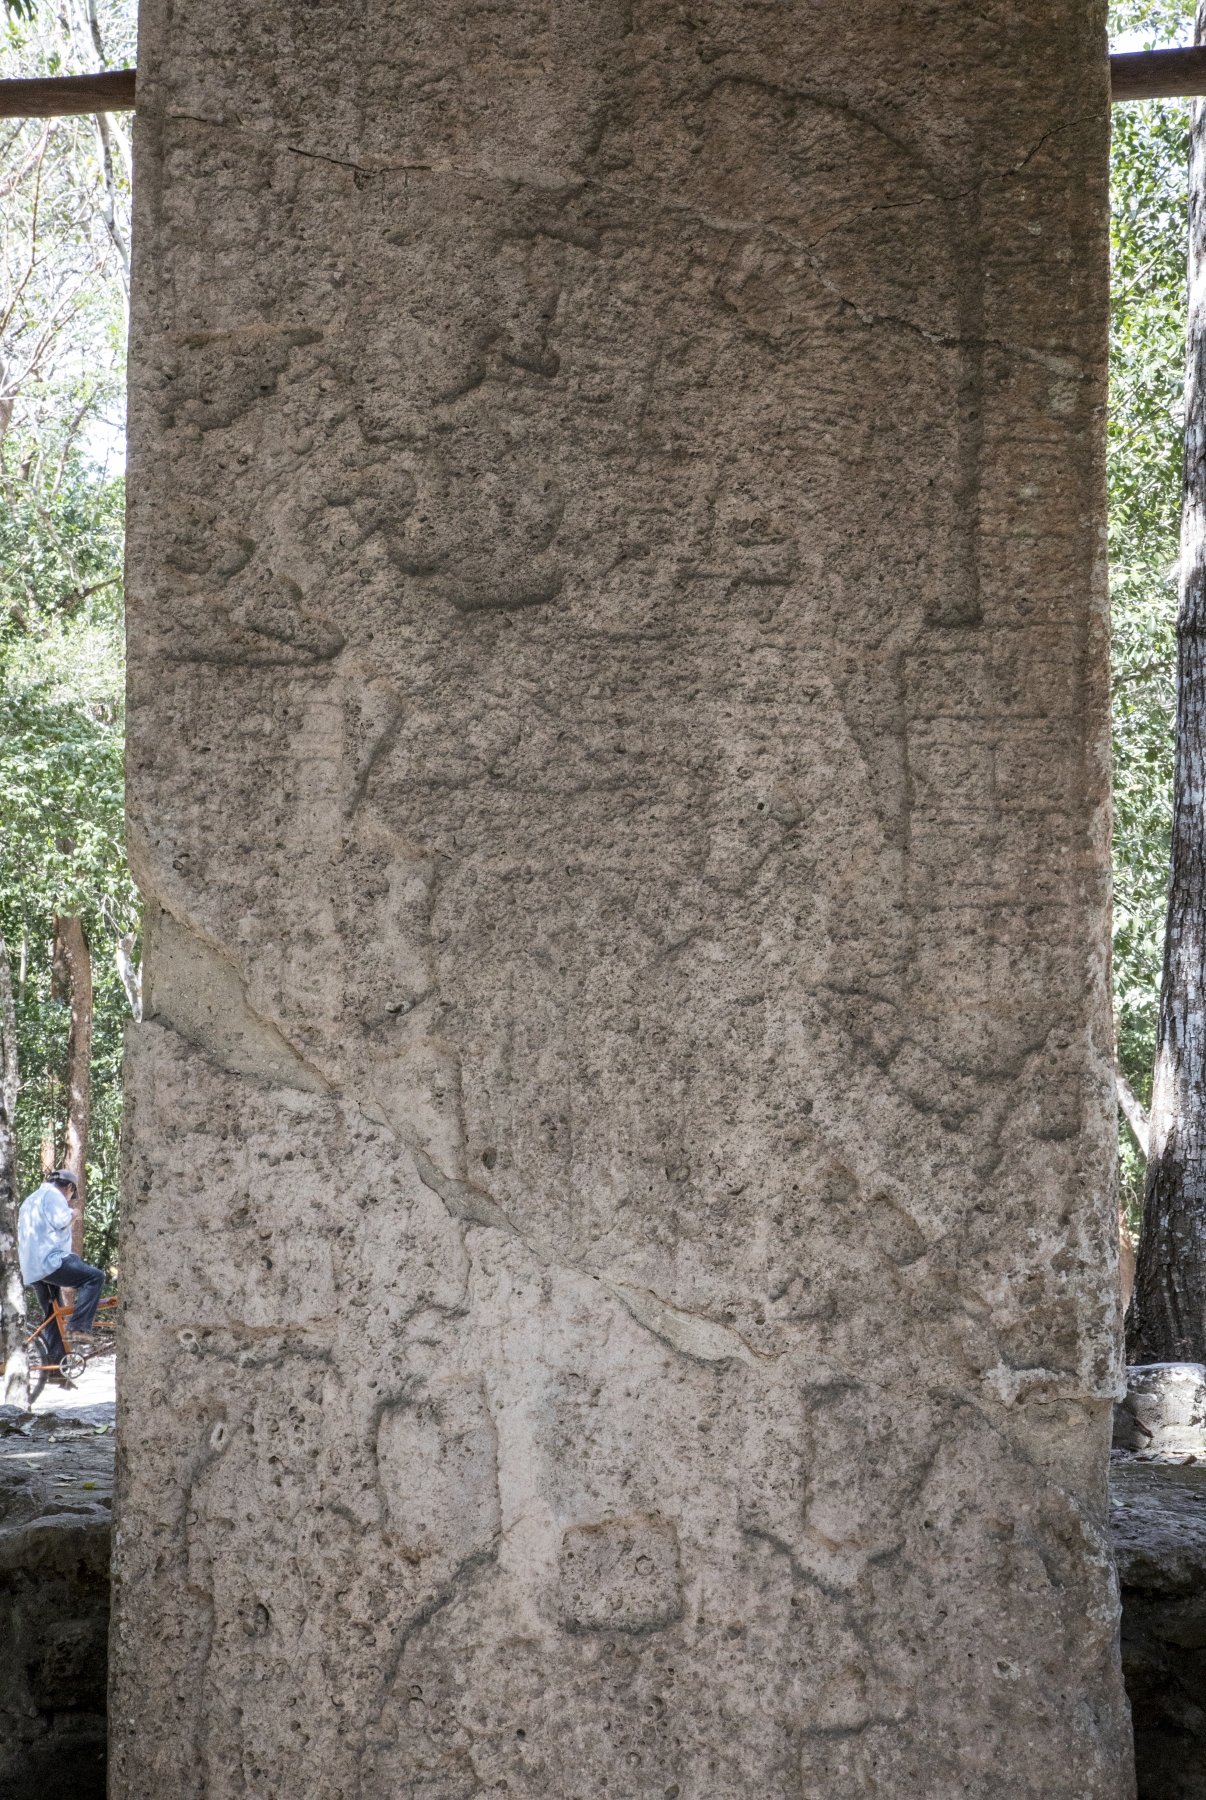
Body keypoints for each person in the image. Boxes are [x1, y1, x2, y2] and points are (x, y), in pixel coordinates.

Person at [17, 1169, 105, 1365]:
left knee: (52, 1315)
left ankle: (56, 1367)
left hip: (33, 1268)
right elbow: (62, 1221)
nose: (69, 1199)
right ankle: (78, 1328)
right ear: (69, 1187)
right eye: (71, 1195)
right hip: (51, 1261)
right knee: (94, 1277)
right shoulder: (54, 1195)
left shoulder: (31, 1199)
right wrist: (74, 1214)